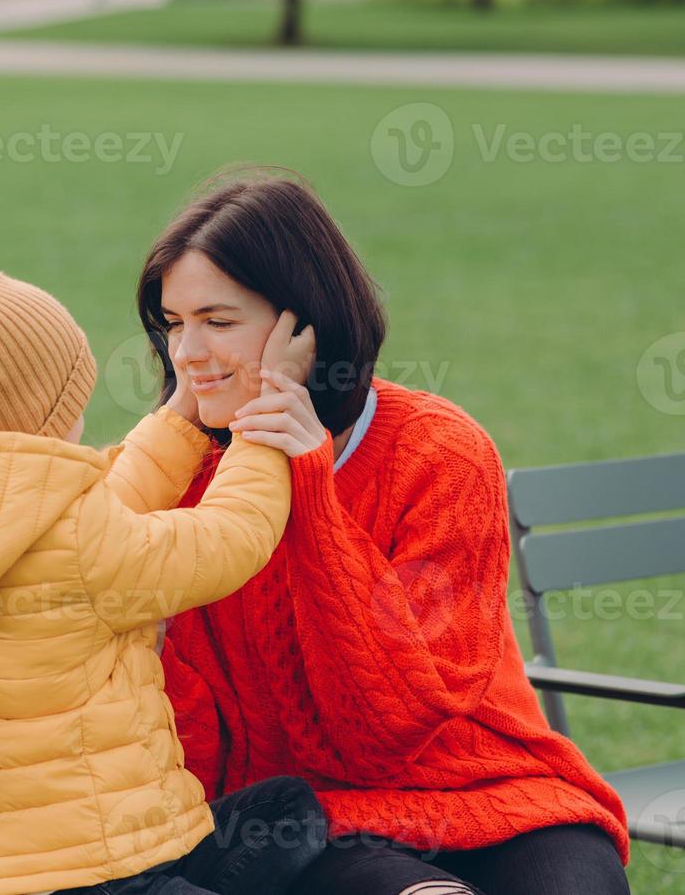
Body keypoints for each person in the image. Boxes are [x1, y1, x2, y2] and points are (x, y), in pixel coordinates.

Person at [139, 170, 631, 894]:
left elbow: (394, 722)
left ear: (302, 326)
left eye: (217, 321)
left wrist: (309, 490)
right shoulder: (178, 476)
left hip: (487, 786)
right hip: (311, 816)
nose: (187, 355)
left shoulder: (440, 453)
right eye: (173, 324)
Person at [0, 235, 324, 895]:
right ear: (48, 411)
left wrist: (182, 415)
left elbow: (112, 503)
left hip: (72, 852)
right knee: (286, 823)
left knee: (285, 812)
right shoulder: (73, 545)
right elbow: (228, 538)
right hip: (92, 876)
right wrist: (262, 414)